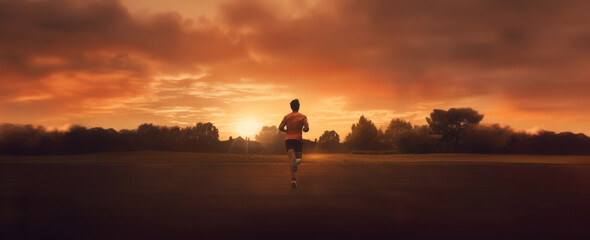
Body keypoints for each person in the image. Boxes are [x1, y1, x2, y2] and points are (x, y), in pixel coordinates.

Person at [279, 99, 309, 188]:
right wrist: (304, 129)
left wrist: (286, 131)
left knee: (291, 159)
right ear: (298, 106)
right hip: (298, 140)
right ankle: (296, 161)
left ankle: (293, 178)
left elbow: (280, 127)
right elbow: (307, 128)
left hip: (288, 139)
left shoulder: (286, 116)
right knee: (299, 159)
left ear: (291, 107)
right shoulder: (303, 117)